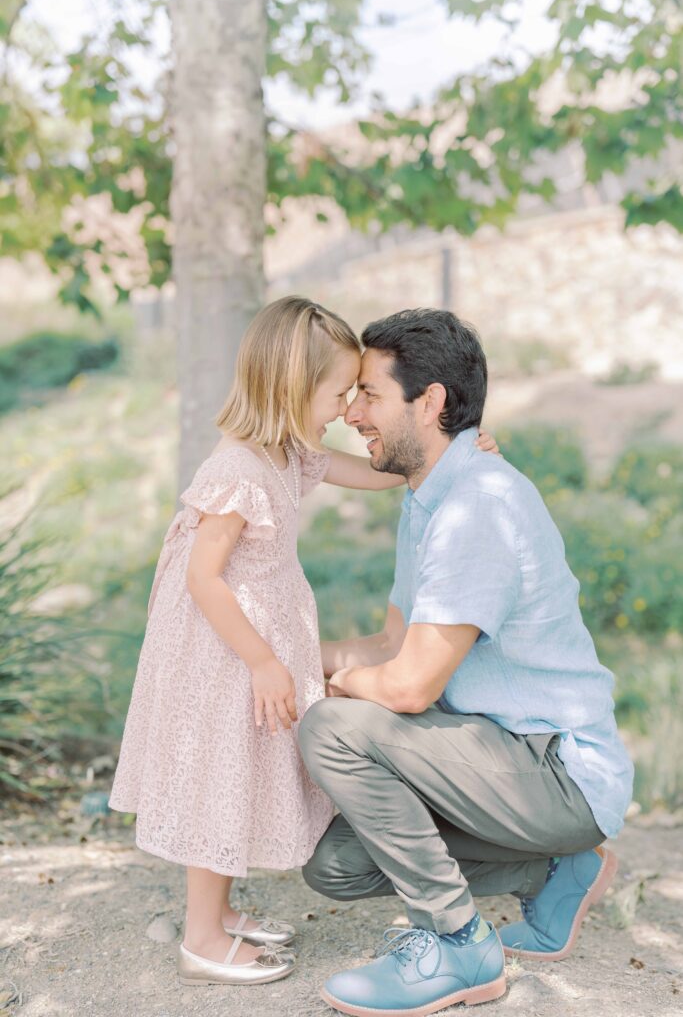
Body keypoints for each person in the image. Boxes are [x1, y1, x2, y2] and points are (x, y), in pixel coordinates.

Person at [109, 294, 500, 989]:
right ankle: (200, 939)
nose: (345, 407)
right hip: (223, 652)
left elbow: (380, 473)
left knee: (237, 776)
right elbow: (203, 578)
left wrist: (455, 449)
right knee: (217, 785)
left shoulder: (286, 455)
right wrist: (262, 661)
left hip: (245, 643)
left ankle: (219, 912)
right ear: (291, 388)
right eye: (336, 392)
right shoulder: (237, 469)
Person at [298, 308, 634, 1017]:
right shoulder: (428, 501)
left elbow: (409, 685)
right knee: (336, 867)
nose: (351, 413)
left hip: (554, 769)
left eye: (369, 395)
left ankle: (457, 945)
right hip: (499, 762)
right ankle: (553, 869)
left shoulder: (475, 506)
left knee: (332, 729)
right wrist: (278, 657)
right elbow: (393, 648)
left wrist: (340, 688)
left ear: (430, 403)